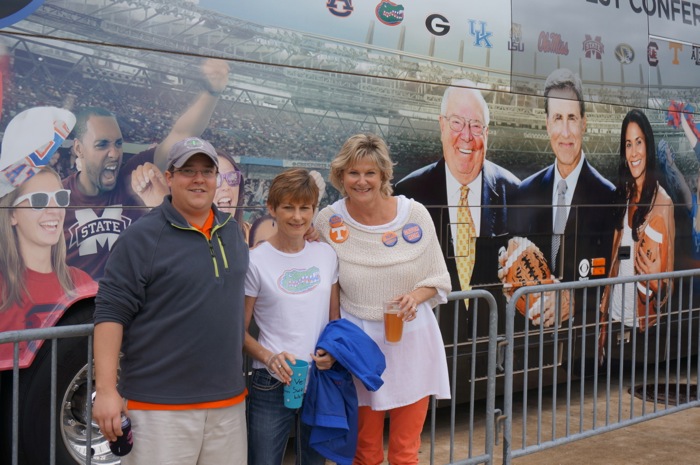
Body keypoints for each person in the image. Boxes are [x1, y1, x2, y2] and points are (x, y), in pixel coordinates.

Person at [92, 137, 249, 465]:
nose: (198, 178)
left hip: (228, 406)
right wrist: (106, 390)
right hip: (158, 410)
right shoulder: (141, 237)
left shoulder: (232, 233)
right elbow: (110, 312)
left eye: (207, 171)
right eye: (188, 170)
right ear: (169, 177)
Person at [315, 133, 451, 465]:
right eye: (353, 173)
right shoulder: (327, 222)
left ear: (383, 176)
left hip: (412, 342)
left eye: (370, 173)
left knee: (405, 452)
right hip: (358, 349)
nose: (361, 181)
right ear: (341, 177)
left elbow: (438, 278)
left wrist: (415, 297)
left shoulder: (414, 215)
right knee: (365, 451)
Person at [62, 58, 230, 278]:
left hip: (130, 307)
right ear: (79, 149)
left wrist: (211, 92)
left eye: (119, 143)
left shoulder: (133, 180)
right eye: (102, 144)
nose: (114, 153)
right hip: (77, 309)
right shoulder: (57, 199)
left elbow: (181, 135)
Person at [394, 79, 520, 336]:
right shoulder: (408, 194)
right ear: (442, 125)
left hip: (492, 344)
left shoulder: (515, 191)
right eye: (456, 123)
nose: (467, 136)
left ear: (487, 133)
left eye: (476, 126)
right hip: (430, 339)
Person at [507, 68, 616, 327]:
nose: (565, 132)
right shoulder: (526, 191)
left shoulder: (608, 196)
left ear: (584, 123)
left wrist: (574, 302)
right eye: (557, 118)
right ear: (547, 124)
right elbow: (516, 257)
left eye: (572, 118)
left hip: (580, 341)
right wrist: (508, 272)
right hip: (533, 340)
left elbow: (612, 277)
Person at [244, 168, 339, 465]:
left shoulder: (326, 254)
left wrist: (332, 353)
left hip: (320, 380)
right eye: (288, 207)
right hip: (270, 382)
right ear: (271, 208)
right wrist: (269, 357)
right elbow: (237, 330)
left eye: (305, 208)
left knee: (313, 461)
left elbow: (334, 321)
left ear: (314, 209)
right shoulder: (255, 261)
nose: (297, 216)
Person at [0, 166, 96, 369]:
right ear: (11, 215)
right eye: (39, 201)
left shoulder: (82, 283)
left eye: (60, 198)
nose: (54, 210)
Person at [600, 110, 674, 339]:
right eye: (628, 144)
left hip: (642, 323)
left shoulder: (663, 203)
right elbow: (613, 260)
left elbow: (669, 283)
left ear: (648, 147)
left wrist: (657, 282)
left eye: (639, 142)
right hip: (614, 316)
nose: (633, 153)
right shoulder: (623, 195)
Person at [214, 150, 252, 241]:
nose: (226, 187)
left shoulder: (254, 236)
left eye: (232, 177)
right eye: (216, 179)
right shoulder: (183, 241)